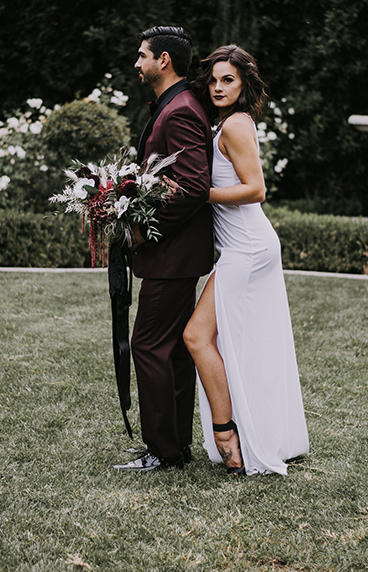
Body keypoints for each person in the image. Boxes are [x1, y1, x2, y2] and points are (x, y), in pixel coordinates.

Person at [183, 45, 309, 476]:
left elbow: (256, 189)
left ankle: (229, 438)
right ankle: (258, 432)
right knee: (245, 344)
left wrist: (198, 195)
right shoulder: (228, 122)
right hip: (243, 247)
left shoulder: (236, 125)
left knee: (198, 336)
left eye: (228, 80)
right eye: (214, 80)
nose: (218, 87)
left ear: (244, 84)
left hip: (248, 249)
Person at [114, 26, 214, 472]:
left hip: (171, 254)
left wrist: (141, 232)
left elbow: (193, 187)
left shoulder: (180, 111)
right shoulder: (174, 106)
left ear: (164, 61)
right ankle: (174, 445)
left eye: (142, 56)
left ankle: (162, 450)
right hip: (176, 255)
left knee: (149, 345)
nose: (137, 64)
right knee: (170, 349)